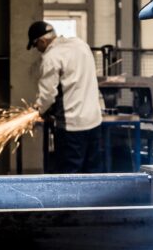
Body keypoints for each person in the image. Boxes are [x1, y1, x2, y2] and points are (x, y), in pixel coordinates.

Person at [27, 21, 103, 173]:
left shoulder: (51, 57)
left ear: (42, 41)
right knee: (92, 172)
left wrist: (36, 111)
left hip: (72, 127)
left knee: (70, 173)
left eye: (36, 46)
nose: (38, 50)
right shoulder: (80, 44)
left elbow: (48, 95)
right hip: (94, 121)